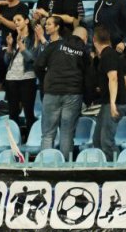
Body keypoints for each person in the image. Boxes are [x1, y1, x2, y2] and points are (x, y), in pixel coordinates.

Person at [36, 26, 89, 158]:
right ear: (85, 39)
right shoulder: (84, 51)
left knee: (48, 134)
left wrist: (45, 81)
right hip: (73, 93)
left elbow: (38, 65)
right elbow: (88, 75)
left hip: (52, 91)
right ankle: (65, 165)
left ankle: (46, 165)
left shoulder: (55, 45)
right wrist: (87, 97)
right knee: (67, 133)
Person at [92, 25, 126, 158]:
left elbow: (113, 78)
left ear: (94, 40)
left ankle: (116, 168)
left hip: (114, 103)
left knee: (106, 142)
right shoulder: (106, 55)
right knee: (97, 140)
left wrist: (113, 103)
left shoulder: (108, 55)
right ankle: (104, 166)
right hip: (107, 103)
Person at [2, 13, 37, 135]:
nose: (16, 22)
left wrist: (20, 43)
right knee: (13, 113)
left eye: (18, 20)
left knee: (28, 112)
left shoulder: (33, 38)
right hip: (11, 78)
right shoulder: (14, 37)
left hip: (27, 77)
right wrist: (9, 46)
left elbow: (31, 58)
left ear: (26, 21)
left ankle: (30, 138)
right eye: (14, 20)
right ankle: (15, 139)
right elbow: (6, 61)